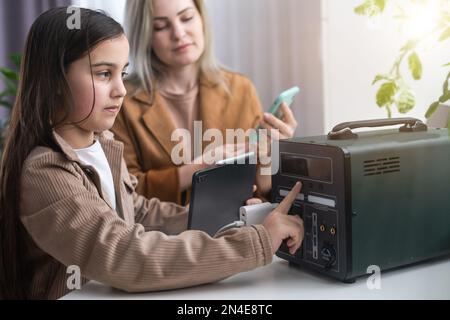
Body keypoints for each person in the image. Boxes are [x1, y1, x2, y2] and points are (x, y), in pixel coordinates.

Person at [0, 7, 304, 300]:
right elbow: (125, 254)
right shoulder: (45, 172)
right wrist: (257, 241)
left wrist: (238, 218)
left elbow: (140, 213)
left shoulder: (101, 146)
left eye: (122, 74)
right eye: (104, 74)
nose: (120, 89)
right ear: (55, 81)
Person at [111, 0, 298, 205]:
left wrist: (273, 156)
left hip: (231, 229)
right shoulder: (121, 101)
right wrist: (199, 167)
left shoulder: (240, 90)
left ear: (202, 19)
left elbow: (261, 188)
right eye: (161, 26)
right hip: (161, 234)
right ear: (145, 34)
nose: (179, 34)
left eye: (187, 18)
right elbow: (123, 190)